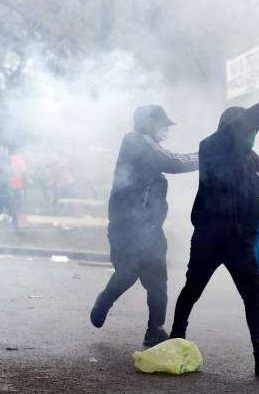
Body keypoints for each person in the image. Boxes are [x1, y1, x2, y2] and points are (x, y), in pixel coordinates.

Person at [169, 95, 259, 377]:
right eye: (249, 129)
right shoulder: (212, 148)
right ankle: (175, 340)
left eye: (255, 131)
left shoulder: (251, 158)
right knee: (192, 289)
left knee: (253, 296)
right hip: (210, 239)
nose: (252, 134)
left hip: (240, 244)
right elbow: (238, 126)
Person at [90, 105, 199, 347]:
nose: (167, 130)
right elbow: (172, 160)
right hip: (127, 224)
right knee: (128, 273)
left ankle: (155, 329)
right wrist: (207, 154)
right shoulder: (137, 140)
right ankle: (105, 300)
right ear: (150, 123)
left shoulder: (150, 146)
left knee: (158, 278)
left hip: (150, 226)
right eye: (163, 125)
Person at [0, 153, 23, 235]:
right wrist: (8, 181)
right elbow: (1, 181)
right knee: (12, 211)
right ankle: (17, 230)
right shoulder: (2, 169)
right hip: (6, 194)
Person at [10, 149, 31, 223]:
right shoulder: (21, 161)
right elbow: (23, 171)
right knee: (18, 198)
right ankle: (14, 213)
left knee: (12, 197)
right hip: (17, 182)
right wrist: (29, 180)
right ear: (19, 154)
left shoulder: (9, 159)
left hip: (8, 182)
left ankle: (12, 212)